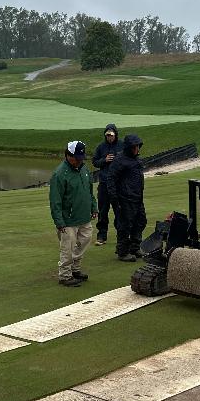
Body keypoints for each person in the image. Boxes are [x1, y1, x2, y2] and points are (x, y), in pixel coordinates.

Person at [49, 140, 97, 287]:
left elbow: (89, 191)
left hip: (84, 216)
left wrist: (93, 207)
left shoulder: (84, 169)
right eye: (76, 158)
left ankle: (75, 269)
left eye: (81, 158)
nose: (79, 161)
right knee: (67, 248)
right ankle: (65, 275)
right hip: (68, 220)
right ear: (68, 155)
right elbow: (55, 201)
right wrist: (59, 221)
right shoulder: (59, 174)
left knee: (84, 242)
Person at [107, 133, 147, 261]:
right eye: (135, 147)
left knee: (140, 222)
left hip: (137, 198)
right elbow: (111, 179)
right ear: (129, 147)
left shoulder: (136, 160)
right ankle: (123, 252)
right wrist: (115, 200)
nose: (137, 149)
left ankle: (135, 247)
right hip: (124, 199)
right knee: (124, 225)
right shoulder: (119, 160)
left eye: (138, 146)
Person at [91, 123, 120, 245]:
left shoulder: (122, 145)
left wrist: (117, 159)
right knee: (103, 211)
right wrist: (105, 160)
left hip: (118, 184)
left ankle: (121, 235)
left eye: (111, 135)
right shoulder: (101, 147)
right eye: (107, 135)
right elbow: (95, 162)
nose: (109, 137)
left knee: (119, 210)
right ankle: (102, 236)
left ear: (115, 135)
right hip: (104, 183)